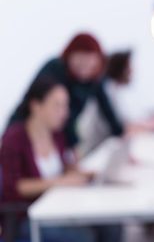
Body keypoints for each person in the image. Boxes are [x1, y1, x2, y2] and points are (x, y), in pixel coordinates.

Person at [0, 77, 121, 242]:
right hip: (26, 217)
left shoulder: (57, 135)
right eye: (57, 105)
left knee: (110, 224)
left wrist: (81, 174)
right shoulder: (14, 138)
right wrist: (60, 181)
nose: (64, 113)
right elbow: (13, 187)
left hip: (57, 208)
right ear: (36, 105)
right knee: (83, 237)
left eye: (65, 106)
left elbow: (63, 168)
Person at [7, 33, 123, 149]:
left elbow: (107, 109)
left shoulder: (94, 79)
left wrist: (121, 132)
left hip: (60, 134)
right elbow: (32, 101)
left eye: (89, 62)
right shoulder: (55, 69)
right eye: (80, 60)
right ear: (69, 56)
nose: (84, 68)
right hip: (32, 130)